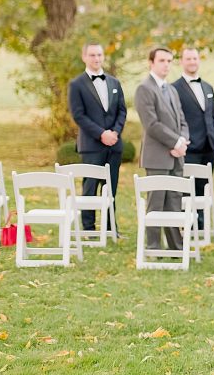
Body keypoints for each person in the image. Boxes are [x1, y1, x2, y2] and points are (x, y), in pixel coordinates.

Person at [67, 42, 127, 234]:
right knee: (90, 187)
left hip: (114, 144)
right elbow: (78, 115)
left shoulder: (114, 82)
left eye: (99, 55)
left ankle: (110, 228)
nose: (97, 58)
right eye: (92, 55)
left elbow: (122, 111)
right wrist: (101, 134)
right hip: (92, 144)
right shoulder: (76, 84)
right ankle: (89, 229)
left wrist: (115, 132)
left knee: (111, 188)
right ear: (84, 57)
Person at [135, 46, 189, 252]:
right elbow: (152, 124)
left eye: (169, 61)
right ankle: (153, 247)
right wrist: (175, 143)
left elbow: (182, 120)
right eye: (162, 61)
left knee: (174, 201)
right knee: (156, 203)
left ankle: (176, 247)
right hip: (157, 156)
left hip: (177, 155)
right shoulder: (144, 89)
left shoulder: (172, 90)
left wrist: (182, 141)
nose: (166, 65)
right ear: (151, 63)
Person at [171, 47, 214, 231]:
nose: (192, 62)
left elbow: (213, 116)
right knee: (187, 189)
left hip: (209, 147)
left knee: (203, 188)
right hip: (189, 148)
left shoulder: (208, 87)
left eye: (195, 58)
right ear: (182, 61)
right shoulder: (175, 88)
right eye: (188, 58)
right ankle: (187, 226)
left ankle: (201, 226)